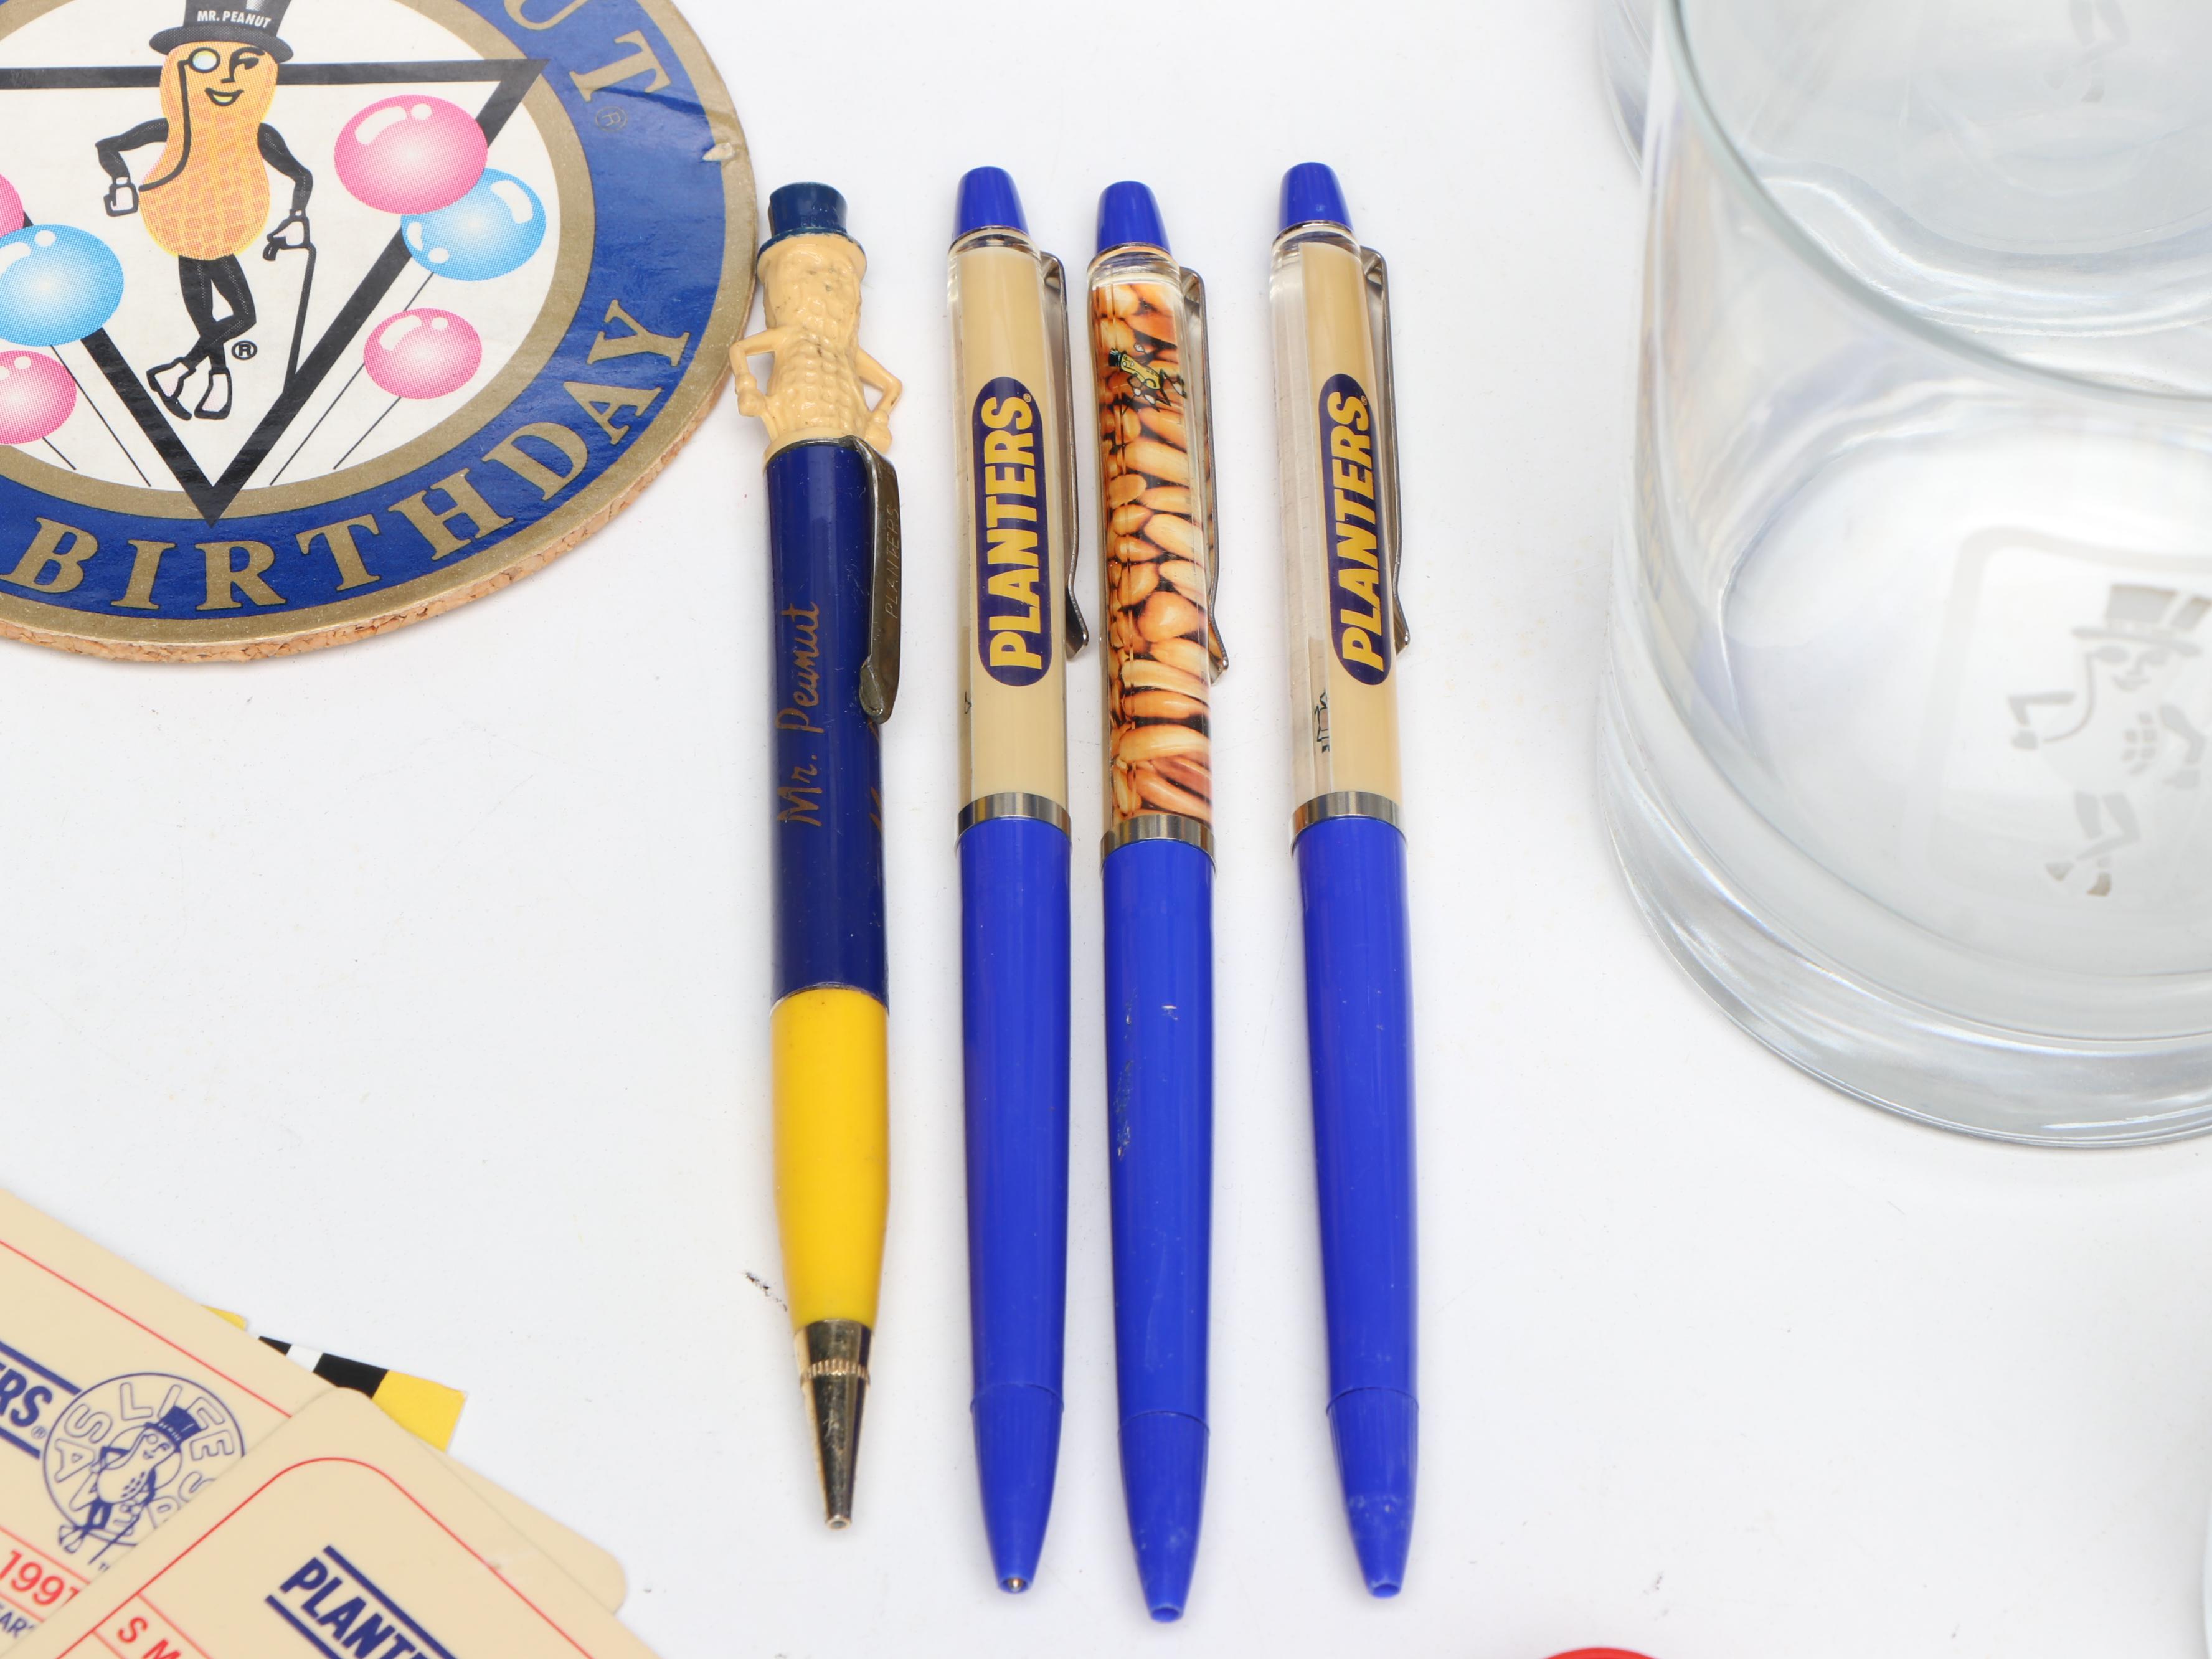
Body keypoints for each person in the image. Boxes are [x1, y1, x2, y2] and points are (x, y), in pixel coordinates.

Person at [97, 0, 311, 422]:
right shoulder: (175, 128)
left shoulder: (258, 135)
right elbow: (109, 146)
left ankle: (192, 375)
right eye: (206, 61)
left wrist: (296, 217)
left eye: (247, 64)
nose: (227, 77)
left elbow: (301, 176)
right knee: (243, 316)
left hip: (224, 232)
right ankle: (192, 374)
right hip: (181, 225)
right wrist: (122, 182)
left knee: (214, 316)